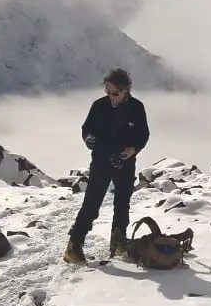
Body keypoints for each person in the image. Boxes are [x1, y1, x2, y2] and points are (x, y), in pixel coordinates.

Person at [64, 68, 150, 264]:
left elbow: (143, 135)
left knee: (122, 203)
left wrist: (131, 151)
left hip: (125, 162)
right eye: (108, 92)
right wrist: (88, 138)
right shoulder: (99, 106)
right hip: (101, 161)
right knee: (91, 203)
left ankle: (118, 243)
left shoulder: (137, 108)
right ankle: (74, 246)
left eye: (115, 93)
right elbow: (87, 128)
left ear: (126, 91)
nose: (111, 96)